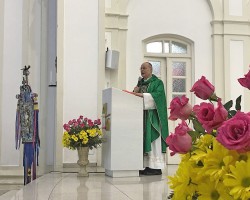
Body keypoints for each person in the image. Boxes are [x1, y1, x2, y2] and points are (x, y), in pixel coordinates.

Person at [132, 62, 169, 175]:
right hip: (142, 116)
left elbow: (158, 96)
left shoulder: (157, 82)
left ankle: (156, 167)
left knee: (154, 141)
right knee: (144, 140)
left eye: (144, 68)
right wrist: (135, 91)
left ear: (151, 69)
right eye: (140, 68)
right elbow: (134, 97)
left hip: (153, 117)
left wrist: (143, 95)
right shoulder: (140, 83)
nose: (142, 70)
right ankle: (147, 166)